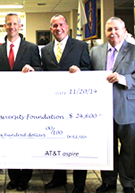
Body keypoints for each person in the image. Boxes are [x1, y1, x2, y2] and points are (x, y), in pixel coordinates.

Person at [90, 17, 135, 193]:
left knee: (128, 150)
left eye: (116, 29)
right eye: (109, 30)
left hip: (128, 110)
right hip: (103, 111)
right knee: (107, 149)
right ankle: (108, 182)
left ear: (124, 31)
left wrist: (122, 78)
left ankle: (128, 184)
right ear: (105, 32)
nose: (113, 33)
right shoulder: (95, 52)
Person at [0, 13, 42, 191]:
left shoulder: (31, 47)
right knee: (10, 141)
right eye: (8, 24)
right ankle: (14, 177)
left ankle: (25, 178)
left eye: (15, 24)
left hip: (27, 102)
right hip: (6, 103)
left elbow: (41, 70)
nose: (11, 26)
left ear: (20, 26)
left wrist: (33, 70)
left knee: (26, 141)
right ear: (4, 27)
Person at [41, 14, 91, 193]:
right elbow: (44, 74)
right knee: (57, 143)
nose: (58, 28)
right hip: (54, 105)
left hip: (76, 105)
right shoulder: (45, 50)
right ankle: (59, 177)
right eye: (54, 26)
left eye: (61, 25)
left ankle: (79, 184)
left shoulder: (81, 46)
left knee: (77, 144)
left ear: (67, 26)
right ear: (51, 28)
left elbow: (89, 70)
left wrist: (80, 71)